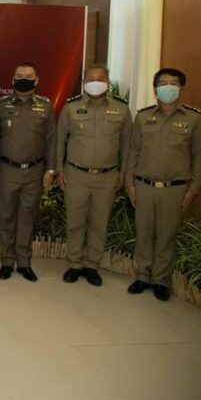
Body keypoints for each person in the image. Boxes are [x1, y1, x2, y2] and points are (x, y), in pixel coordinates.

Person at [126, 68, 201, 301]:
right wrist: (130, 183)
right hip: (144, 185)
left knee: (166, 235)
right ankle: (142, 275)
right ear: (155, 89)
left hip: (175, 188)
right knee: (144, 232)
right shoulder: (143, 117)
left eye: (173, 83)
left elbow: (199, 156)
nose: (168, 87)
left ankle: (160, 280)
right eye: (163, 83)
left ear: (181, 88)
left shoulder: (194, 119)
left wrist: (192, 190)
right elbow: (133, 152)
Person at [56, 64, 131, 287]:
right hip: (76, 174)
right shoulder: (71, 108)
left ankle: (92, 265)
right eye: (90, 78)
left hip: (107, 176)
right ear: (84, 83)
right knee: (75, 222)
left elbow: (127, 145)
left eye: (100, 79)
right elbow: (60, 140)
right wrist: (59, 169)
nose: (95, 82)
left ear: (108, 82)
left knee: (99, 223)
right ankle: (74, 264)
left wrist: (123, 172)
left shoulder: (121, 110)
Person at [0, 63, 56, 282]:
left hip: (34, 171)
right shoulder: (1, 105)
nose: (24, 79)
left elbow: (51, 140)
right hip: (7, 169)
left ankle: (24, 263)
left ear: (36, 80)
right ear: (13, 79)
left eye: (29, 76)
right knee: (6, 216)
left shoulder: (45, 106)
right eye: (19, 75)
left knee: (28, 217)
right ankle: (6, 261)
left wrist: (51, 168)